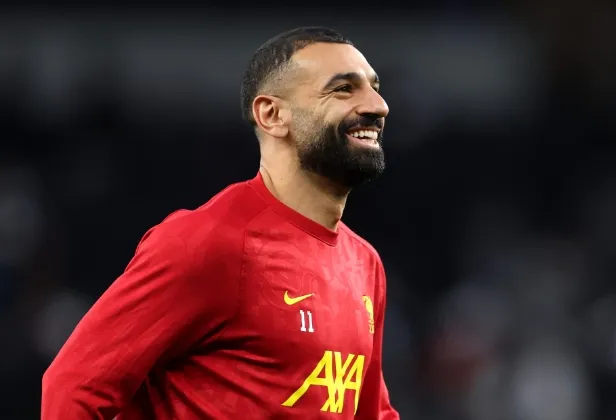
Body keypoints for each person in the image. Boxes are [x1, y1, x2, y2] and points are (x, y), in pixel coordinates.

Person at [42, 26, 399, 419]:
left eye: (374, 87)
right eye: (344, 89)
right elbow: (74, 386)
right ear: (272, 115)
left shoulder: (363, 264)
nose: (378, 105)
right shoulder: (209, 244)